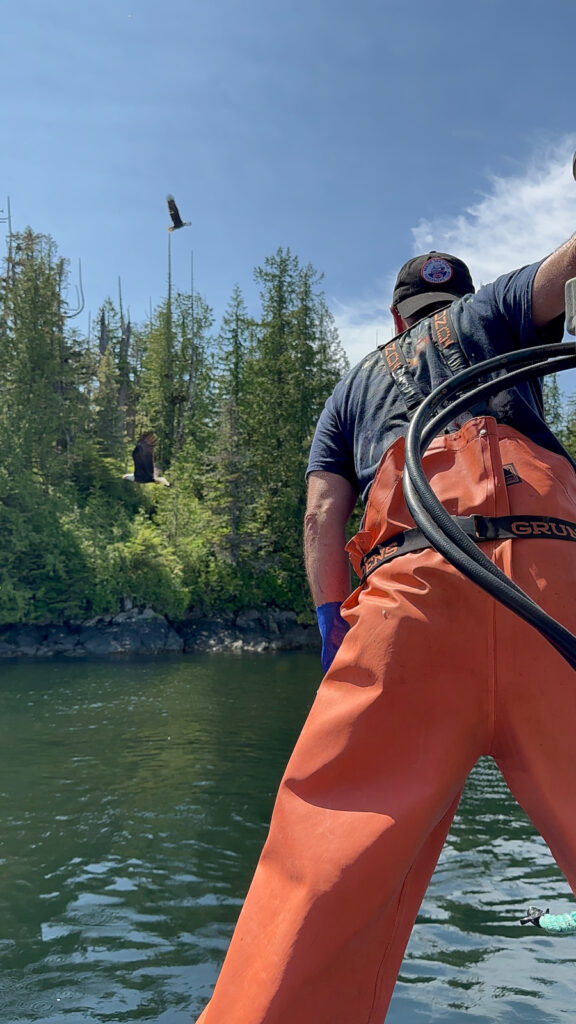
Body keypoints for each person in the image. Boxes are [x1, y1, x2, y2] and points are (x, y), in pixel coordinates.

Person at [195, 243, 576, 1024]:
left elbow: (320, 517)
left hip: (408, 600)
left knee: (321, 876)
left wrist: (339, 632)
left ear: (394, 317)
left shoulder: (351, 389)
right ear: (459, 301)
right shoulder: (489, 316)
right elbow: (557, 276)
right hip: (553, 586)